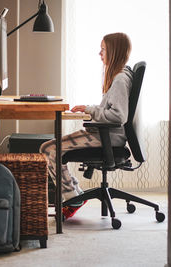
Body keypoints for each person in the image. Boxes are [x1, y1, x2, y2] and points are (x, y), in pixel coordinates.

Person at [40, 32, 133, 219]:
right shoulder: (121, 77)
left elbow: (118, 116)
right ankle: (74, 194)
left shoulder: (120, 80)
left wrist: (90, 110)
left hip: (108, 136)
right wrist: (89, 109)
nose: (100, 53)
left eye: (103, 49)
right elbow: (111, 110)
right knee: (51, 148)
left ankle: (72, 198)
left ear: (113, 52)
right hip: (105, 134)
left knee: (48, 149)